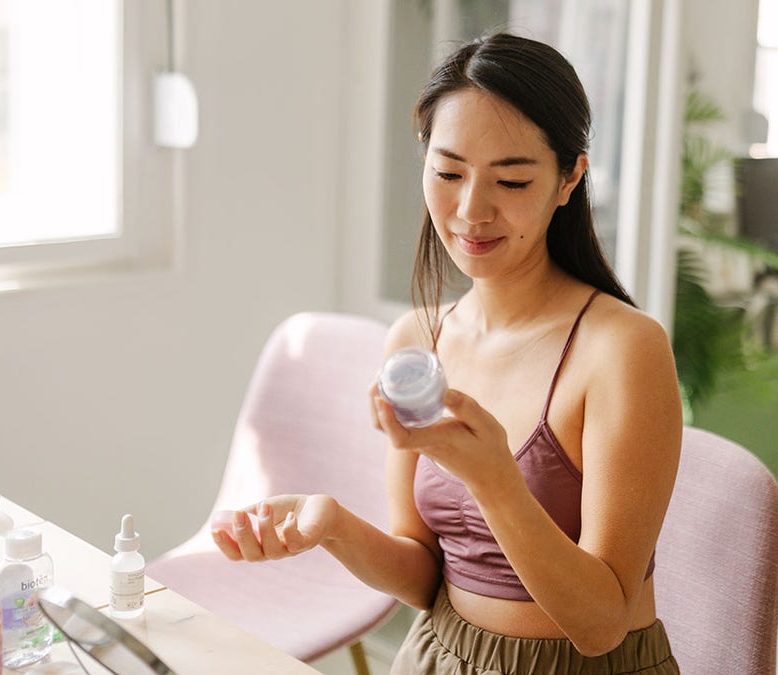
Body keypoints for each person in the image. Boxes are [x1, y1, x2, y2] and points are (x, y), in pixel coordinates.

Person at [212, 32, 683, 673]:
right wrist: (330, 524)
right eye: (448, 172)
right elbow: (424, 576)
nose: (470, 210)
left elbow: (601, 624)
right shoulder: (416, 341)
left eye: (511, 180)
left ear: (570, 177)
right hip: (439, 655)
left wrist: (496, 480)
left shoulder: (622, 349)